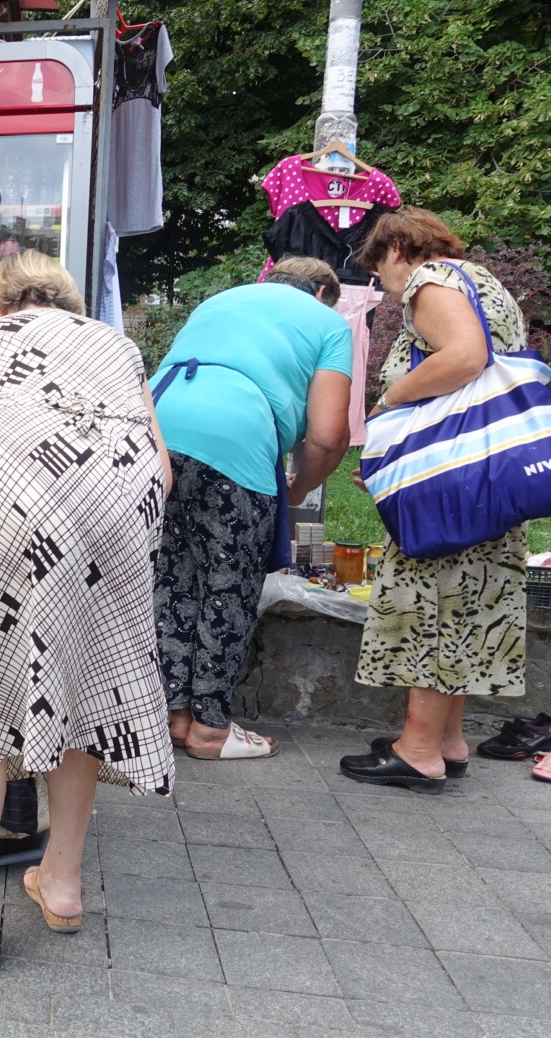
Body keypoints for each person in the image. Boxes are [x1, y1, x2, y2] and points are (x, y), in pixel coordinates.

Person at [0, 249, 174, 972]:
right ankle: (62, 884)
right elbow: (163, 471)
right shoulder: (116, 345)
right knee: (82, 687)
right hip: (123, 509)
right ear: (64, 302)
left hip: (17, 507)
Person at [342, 207, 528, 793]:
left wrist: (389, 407)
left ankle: (418, 750)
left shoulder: (432, 280)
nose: (387, 289)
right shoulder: (484, 282)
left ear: (397, 250)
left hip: (452, 483)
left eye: (380, 273)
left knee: (435, 599)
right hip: (485, 471)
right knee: (471, 599)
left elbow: (464, 358)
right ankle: (447, 740)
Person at [150, 256, 353, 760]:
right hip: (235, 440)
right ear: (325, 293)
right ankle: (209, 731)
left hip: (153, 432)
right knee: (229, 586)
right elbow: (328, 437)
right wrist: (300, 488)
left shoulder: (217, 302)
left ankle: (171, 715)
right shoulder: (329, 322)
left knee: (171, 580)